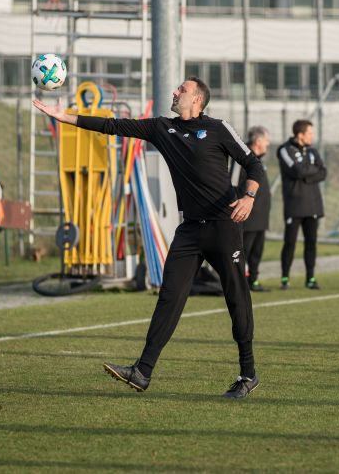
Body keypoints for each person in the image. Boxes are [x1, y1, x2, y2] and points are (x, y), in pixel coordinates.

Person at [34, 76, 264, 399]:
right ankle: (143, 371)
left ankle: (248, 374)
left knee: (236, 298)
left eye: (181, 90)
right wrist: (64, 118)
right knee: (169, 297)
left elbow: (254, 164)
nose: (174, 92)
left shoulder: (218, 128)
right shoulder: (161, 128)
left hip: (224, 226)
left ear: (197, 99)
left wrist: (249, 196)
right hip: (190, 230)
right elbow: (112, 126)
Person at [277, 119, 327, 290]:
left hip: (313, 204)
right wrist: (310, 171)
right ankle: (285, 278)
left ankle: (310, 278)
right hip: (294, 204)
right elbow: (297, 171)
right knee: (290, 242)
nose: (312, 136)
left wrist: (306, 173)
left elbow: (323, 172)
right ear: (300, 135)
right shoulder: (284, 150)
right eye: (310, 133)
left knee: (311, 242)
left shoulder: (312, 151)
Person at [231, 125, 271, 292]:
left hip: (261, 216)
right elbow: (233, 184)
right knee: (242, 251)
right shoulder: (243, 157)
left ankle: (253, 280)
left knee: (257, 251)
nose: (268, 144)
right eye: (267, 140)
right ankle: (237, 283)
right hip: (247, 215)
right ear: (258, 140)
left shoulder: (259, 160)